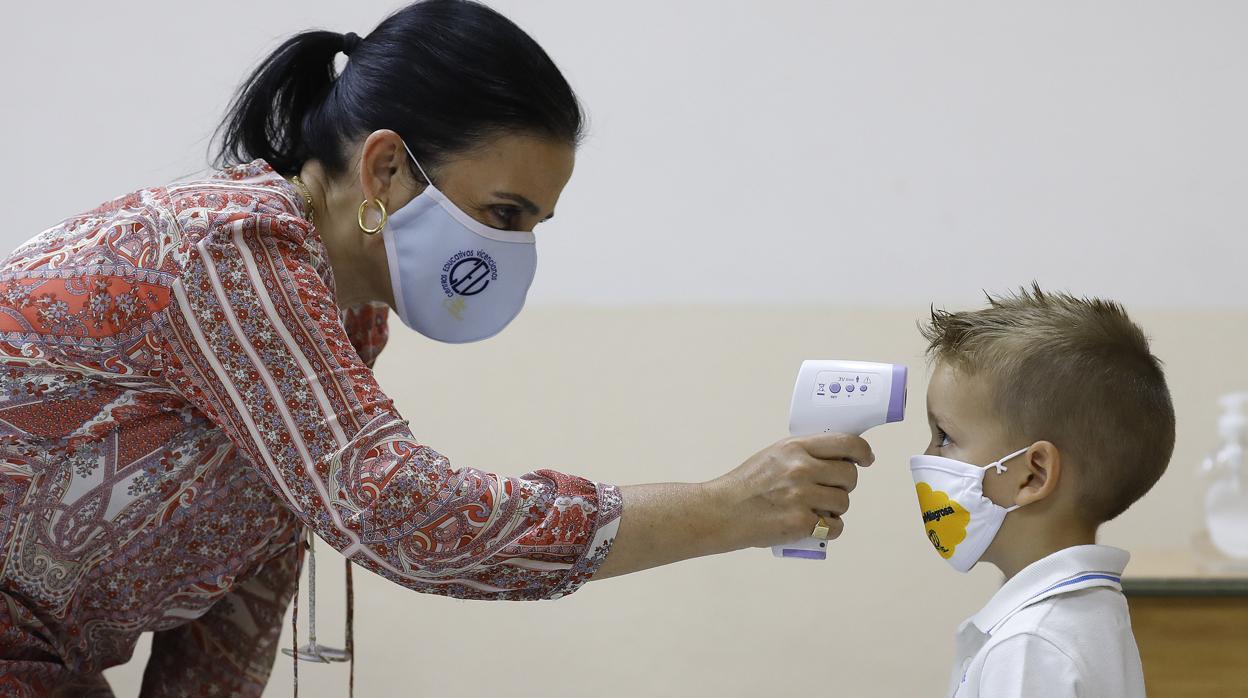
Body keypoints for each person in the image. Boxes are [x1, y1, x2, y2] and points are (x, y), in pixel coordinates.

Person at [0, 1, 870, 694]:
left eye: (534, 223)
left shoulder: (348, 312)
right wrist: (727, 508)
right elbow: (399, 514)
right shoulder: (228, 253)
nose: (515, 250)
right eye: (503, 214)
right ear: (385, 169)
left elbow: (250, 574)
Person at [910, 286, 1174, 697]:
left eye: (944, 436)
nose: (929, 457)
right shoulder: (1087, 613)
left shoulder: (1030, 646)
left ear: (1033, 475)